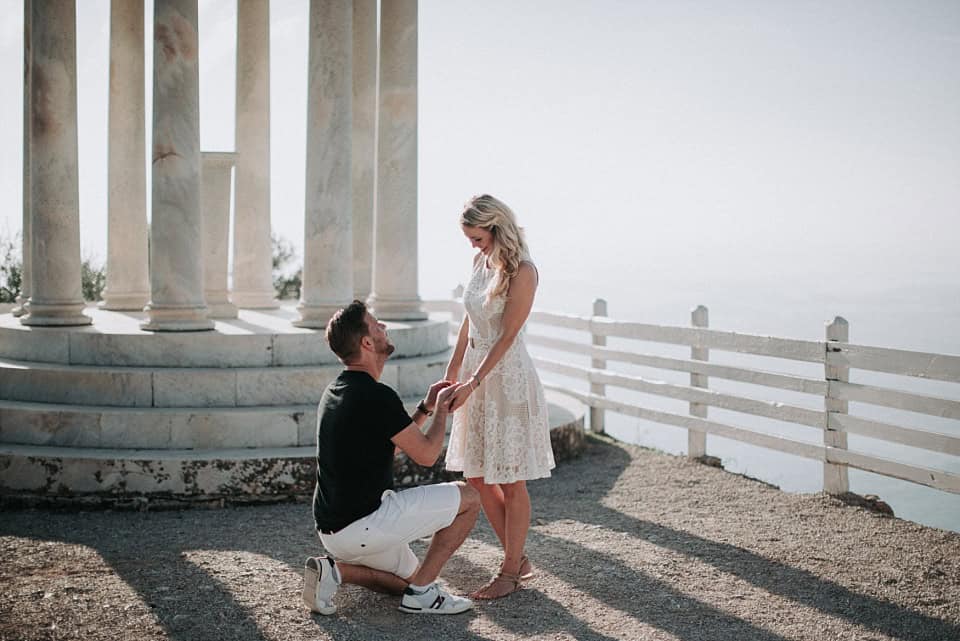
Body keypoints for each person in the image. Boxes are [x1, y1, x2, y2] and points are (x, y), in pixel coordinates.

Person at [302, 300, 481, 616]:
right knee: (470, 498)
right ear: (367, 343)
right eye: (376, 324)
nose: (383, 327)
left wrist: (425, 408)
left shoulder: (337, 389)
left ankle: (335, 571)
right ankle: (424, 595)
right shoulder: (377, 396)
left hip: (333, 532)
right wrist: (441, 412)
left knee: (407, 582)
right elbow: (426, 455)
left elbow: (390, 444)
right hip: (364, 524)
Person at [443, 194, 556, 600]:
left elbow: (507, 335)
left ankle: (509, 571)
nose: (473, 246)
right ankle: (518, 557)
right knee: (475, 472)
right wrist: (452, 370)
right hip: (475, 374)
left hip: (506, 379)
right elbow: (469, 321)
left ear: (496, 228)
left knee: (510, 477)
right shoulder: (480, 263)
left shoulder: (524, 271)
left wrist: (473, 381)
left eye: (477, 238)